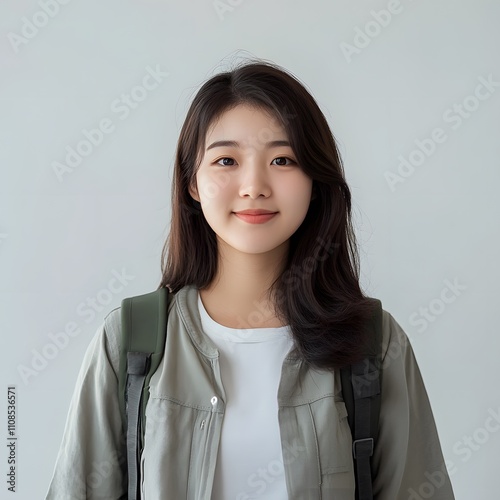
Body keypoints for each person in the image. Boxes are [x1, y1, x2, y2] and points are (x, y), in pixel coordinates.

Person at [45, 58, 455, 499]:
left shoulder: (374, 342)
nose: (254, 185)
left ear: (314, 180)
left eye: (282, 159)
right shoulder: (131, 340)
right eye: (226, 160)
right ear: (193, 183)